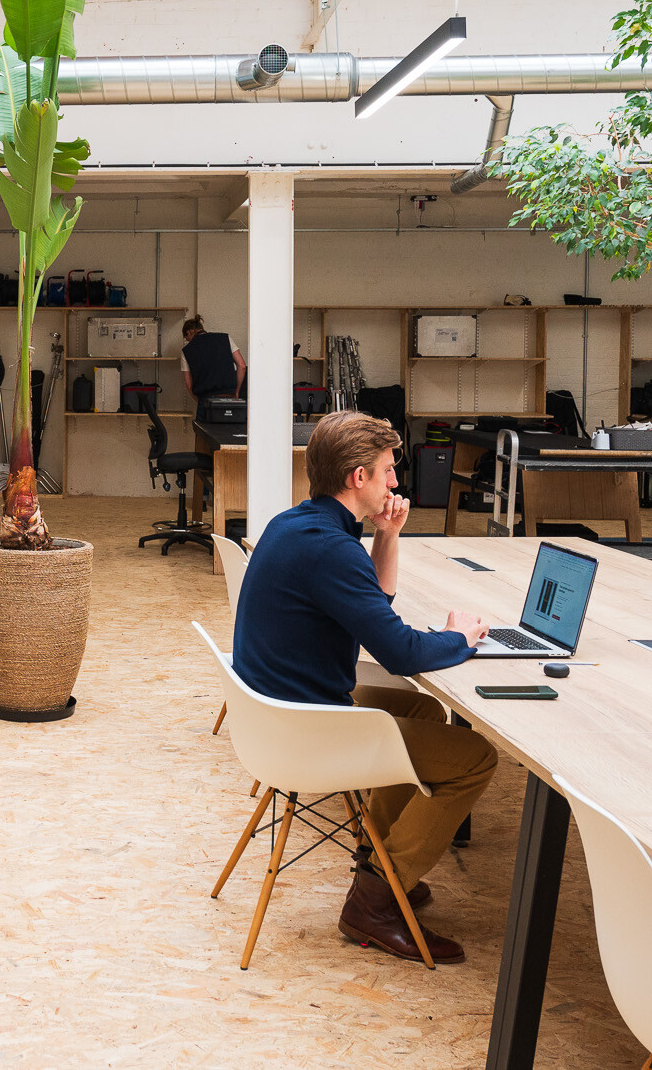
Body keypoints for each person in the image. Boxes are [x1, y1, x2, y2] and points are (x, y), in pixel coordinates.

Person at [232, 410, 496, 964]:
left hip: (282, 713)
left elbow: (372, 606)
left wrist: (388, 536)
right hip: (309, 729)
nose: (395, 482)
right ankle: (375, 899)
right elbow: (399, 652)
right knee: (473, 758)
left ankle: (381, 861)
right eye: (387, 471)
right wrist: (460, 638)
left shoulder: (297, 525)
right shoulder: (331, 549)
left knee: (421, 713)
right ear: (358, 478)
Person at [180, 315, 245, 401]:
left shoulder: (186, 350)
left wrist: (198, 401)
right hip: (229, 396)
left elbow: (189, 385)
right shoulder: (225, 338)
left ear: (188, 332)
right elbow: (242, 365)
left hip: (204, 398)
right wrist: (236, 391)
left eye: (187, 339)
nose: (189, 342)